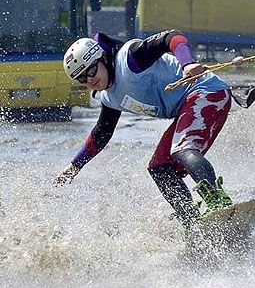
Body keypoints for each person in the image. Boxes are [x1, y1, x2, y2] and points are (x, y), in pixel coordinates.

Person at [55, 30, 234, 230]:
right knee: (159, 167)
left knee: (182, 150)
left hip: (206, 92)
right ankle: (191, 223)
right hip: (188, 106)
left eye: (91, 70)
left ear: (103, 57)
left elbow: (171, 38)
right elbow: (101, 133)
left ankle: (218, 201)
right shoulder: (109, 98)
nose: (90, 79)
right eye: (82, 78)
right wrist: (75, 166)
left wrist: (188, 63)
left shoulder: (130, 59)